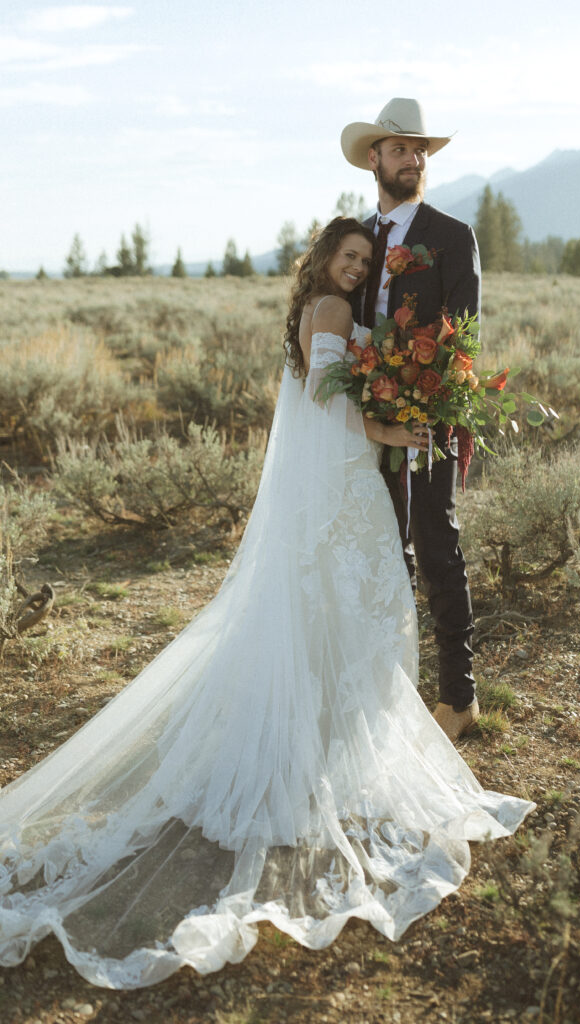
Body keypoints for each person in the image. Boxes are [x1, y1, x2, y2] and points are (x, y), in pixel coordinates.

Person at [0, 218, 533, 990]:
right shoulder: (335, 313)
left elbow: (325, 395)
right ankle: (317, 764)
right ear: (321, 259)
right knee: (361, 609)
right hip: (341, 482)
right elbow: (328, 397)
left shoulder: (318, 310)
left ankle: (318, 756)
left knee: (338, 614)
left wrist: (390, 408)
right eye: (345, 258)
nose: (354, 270)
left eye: (361, 261)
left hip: (335, 480)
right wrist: (394, 422)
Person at [342, 98, 483, 743]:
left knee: (436, 543)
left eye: (419, 149)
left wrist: (432, 400)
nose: (413, 158)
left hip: (430, 414)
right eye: (400, 149)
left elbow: (464, 336)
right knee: (379, 545)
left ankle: (459, 696)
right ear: (375, 158)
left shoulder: (452, 237)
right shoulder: (356, 241)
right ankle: (388, 687)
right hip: (365, 419)